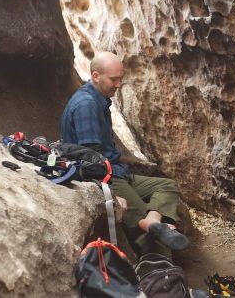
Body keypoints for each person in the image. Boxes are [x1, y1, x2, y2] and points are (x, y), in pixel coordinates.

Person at [59, 51, 190, 255]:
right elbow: (90, 158)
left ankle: (152, 220)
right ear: (95, 76)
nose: (119, 84)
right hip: (105, 177)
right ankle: (162, 270)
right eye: (114, 79)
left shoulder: (98, 99)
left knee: (167, 185)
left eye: (120, 78)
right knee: (144, 226)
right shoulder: (86, 105)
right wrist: (113, 194)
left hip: (116, 171)